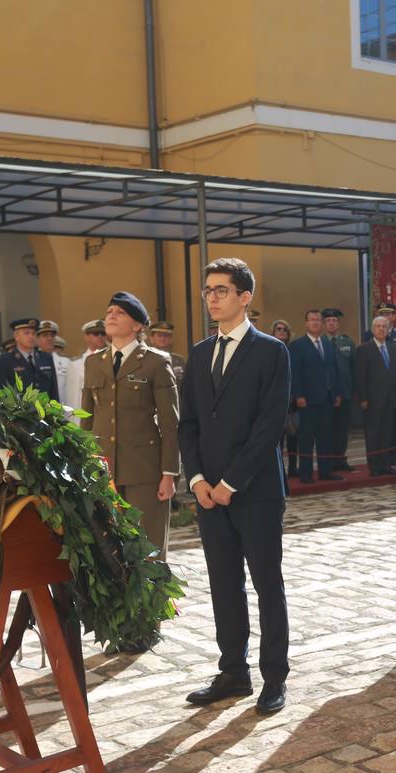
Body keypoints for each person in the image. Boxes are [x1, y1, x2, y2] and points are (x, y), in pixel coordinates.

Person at [179, 258, 291, 715]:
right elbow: (188, 425)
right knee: (224, 584)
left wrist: (231, 482)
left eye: (221, 290)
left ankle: (274, 677)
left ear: (245, 297)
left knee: (267, 584)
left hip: (256, 491)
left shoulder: (271, 352)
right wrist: (200, 480)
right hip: (209, 495)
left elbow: (270, 426)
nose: (212, 297)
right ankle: (232, 671)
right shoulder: (200, 353)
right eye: (208, 290)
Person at [80, 292, 179, 557]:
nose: (111, 315)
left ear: (137, 325)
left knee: (148, 547)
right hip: (103, 470)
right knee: (107, 548)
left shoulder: (156, 363)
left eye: (120, 312)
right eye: (109, 311)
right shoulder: (93, 363)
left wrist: (169, 473)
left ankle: (154, 599)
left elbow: (170, 423)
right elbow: (86, 418)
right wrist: (82, 464)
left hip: (144, 471)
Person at [288, 308, 345, 483]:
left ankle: (325, 472)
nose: (315, 322)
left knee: (325, 437)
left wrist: (336, 392)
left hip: (327, 398)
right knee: (306, 438)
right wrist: (298, 395)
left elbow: (334, 370)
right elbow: (294, 373)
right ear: (306, 323)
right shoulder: (298, 346)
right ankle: (305, 474)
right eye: (312, 319)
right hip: (307, 400)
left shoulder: (327, 343)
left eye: (318, 320)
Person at [354, 315, 396, 475]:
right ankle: (374, 467)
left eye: (384, 326)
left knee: (387, 433)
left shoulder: (394, 348)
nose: (381, 329)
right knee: (373, 434)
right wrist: (363, 398)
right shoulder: (364, 349)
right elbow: (360, 376)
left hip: (390, 400)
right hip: (371, 400)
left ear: (388, 330)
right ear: (373, 330)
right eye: (378, 326)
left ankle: (385, 464)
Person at [0, 317, 60, 400]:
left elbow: (53, 390)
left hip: (45, 410)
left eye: (33, 333)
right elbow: (0, 392)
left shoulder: (45, 358)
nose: (31, 337)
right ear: (16, 336)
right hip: (19, 411)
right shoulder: (5, 360)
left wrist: (55, 411)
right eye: (26, 333)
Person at [324, 308, 357, 471]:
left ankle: (340, 459)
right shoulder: (321, 342)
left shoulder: (347, 342)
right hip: (327, 395)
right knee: (327, 429)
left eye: (334, 320)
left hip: (345, 393)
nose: (332, 323)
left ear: (338, 323)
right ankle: (328, 461)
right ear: (325, 324)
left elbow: (354, 367)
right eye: (329, 320)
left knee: (343, 429)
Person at [270, 319, 301, 478]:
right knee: (278, 440)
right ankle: (279, 469)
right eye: (278, 329)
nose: (281, 332)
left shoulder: (294, 350)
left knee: (294, 436)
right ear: (273, 332)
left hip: (293, 401)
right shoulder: (269, 350)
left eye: (284, 330)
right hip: (276, 402)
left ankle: (293, 468)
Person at [64, 319, 107, 415]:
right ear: (86, 337)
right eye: (96, 334)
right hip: (85, 414)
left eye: (103, 334)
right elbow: (73, 396)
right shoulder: (76, 363)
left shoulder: (113, 359)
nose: (100, 337)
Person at [147, 321, 187, 389]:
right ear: (151, 339)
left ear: (171, 339)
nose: (163, 338)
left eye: (166, 336)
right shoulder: (145, 360)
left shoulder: (179, 360)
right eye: (159, 336)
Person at [37, 320, 70, 402]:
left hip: (63, 408)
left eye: (52, 336)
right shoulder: (33, 360)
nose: (49, 338)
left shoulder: (66, 362)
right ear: (37, 338)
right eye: (45, 335)